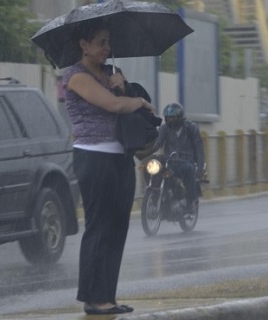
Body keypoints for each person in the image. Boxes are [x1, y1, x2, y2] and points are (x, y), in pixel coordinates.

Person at [62, 19, 156, 315]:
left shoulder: (112, 75)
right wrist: (137, 100)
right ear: (84, 45)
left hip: (120, 157)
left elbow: (120, 103)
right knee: (99, 227)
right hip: (93, 158)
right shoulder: (75, 77)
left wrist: (123, 87)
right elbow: (114, 107)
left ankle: (108, 297)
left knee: (117, 228)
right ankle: (93, 297)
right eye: (101, 42)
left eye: (108, 42)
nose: (107, 48)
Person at [146, 102, 205, 212]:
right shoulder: (164, 128)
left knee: (189, 169)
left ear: (180, 117)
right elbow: (158, 144)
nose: (170, 120)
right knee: (151, 165)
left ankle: (190, 201)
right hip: (170, 160)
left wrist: (200, 167)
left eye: (173, 118)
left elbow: (199, 148)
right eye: (168, 118)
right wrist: (145, 152)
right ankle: (155, 193)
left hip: (186, 160)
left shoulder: (191, 128)